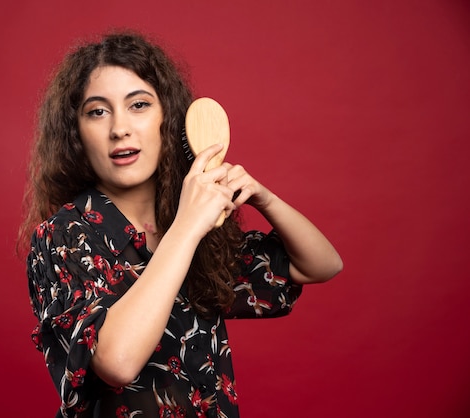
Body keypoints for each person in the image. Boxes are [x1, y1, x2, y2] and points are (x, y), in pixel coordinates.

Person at [20, 31, 342, 418]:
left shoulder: (193, 228)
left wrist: (264, 198)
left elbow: (321, 264)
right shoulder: (63, 235)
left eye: (138, 105)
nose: (119, 128)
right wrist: (188, 228)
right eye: (97, 111)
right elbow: (117, 361)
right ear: (76, 133)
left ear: (168, 119)